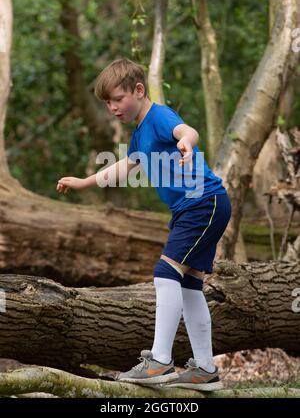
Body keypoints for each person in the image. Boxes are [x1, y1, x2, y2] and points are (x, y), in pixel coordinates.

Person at [57, 58, 231, 391]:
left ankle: (160, 361)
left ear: (138, 90)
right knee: (189, 284)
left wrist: (187, 143)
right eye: (107, 102)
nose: (112, 107)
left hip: (203, 202)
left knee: (166, 273)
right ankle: (206, 370)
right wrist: (83, 182)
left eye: (117, 99)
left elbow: (186, 130)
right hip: (192, 209)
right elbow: (122, 168)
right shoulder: (140, 135)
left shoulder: (159, 116)